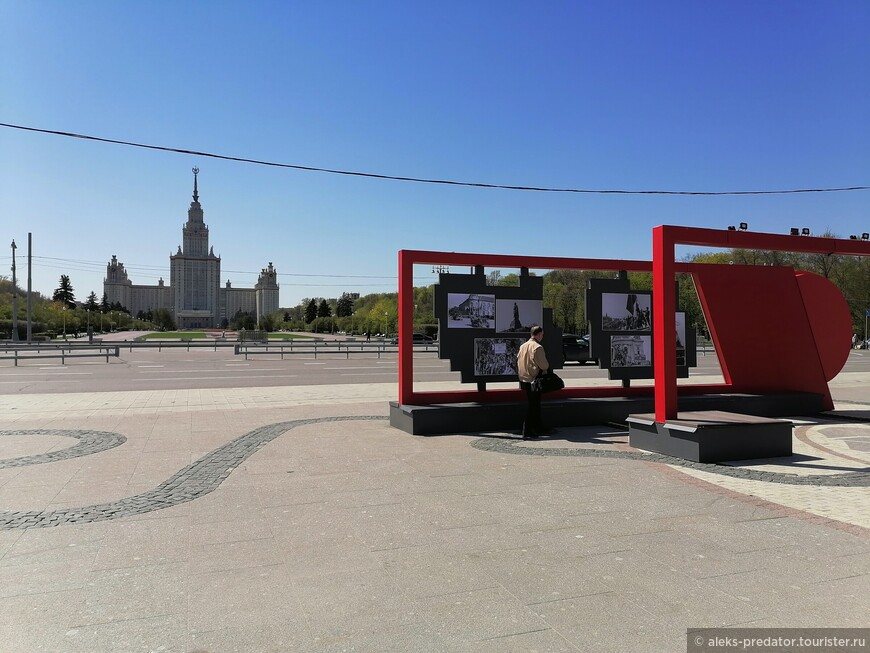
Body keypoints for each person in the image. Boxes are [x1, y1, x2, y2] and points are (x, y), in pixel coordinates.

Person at [517, 325, 554, 438]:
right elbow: (544, 365)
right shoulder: (537, 347)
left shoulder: (523, 346)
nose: (542, 336)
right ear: (538, 334)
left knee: (535, 404)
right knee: (533, 406)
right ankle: (527, 430)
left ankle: (539, 427)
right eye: (542, 334)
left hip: (524, 379)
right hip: (534, 379)